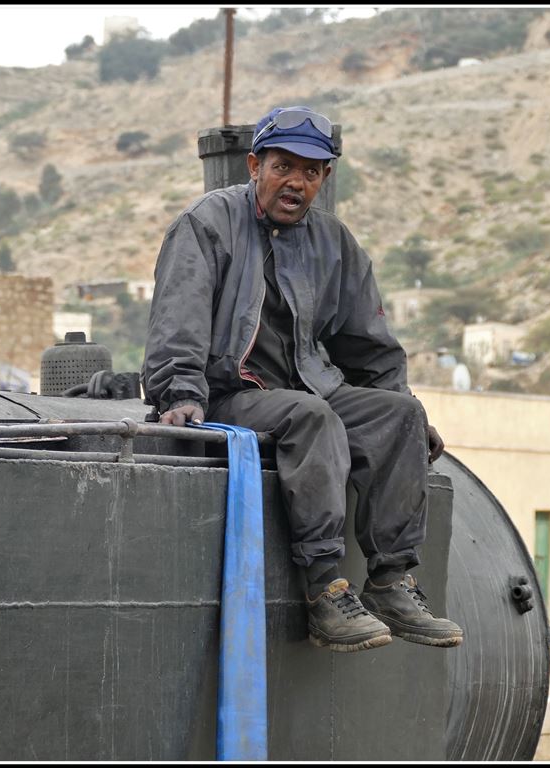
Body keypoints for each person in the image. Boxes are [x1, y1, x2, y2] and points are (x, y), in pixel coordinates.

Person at [142, 105, 463, 653]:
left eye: (310, 172)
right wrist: (181, 394)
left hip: (311, 385)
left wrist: (405, 407)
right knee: (311, 416)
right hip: (228, 393)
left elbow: (369, 345)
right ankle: (323, 590)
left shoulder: (334, 242)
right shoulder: (206, 224)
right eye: (283, 166)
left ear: (325, 179)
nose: (296, 182)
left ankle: (390, 582)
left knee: (401, 416)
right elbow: (180, 320)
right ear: (254, 165)